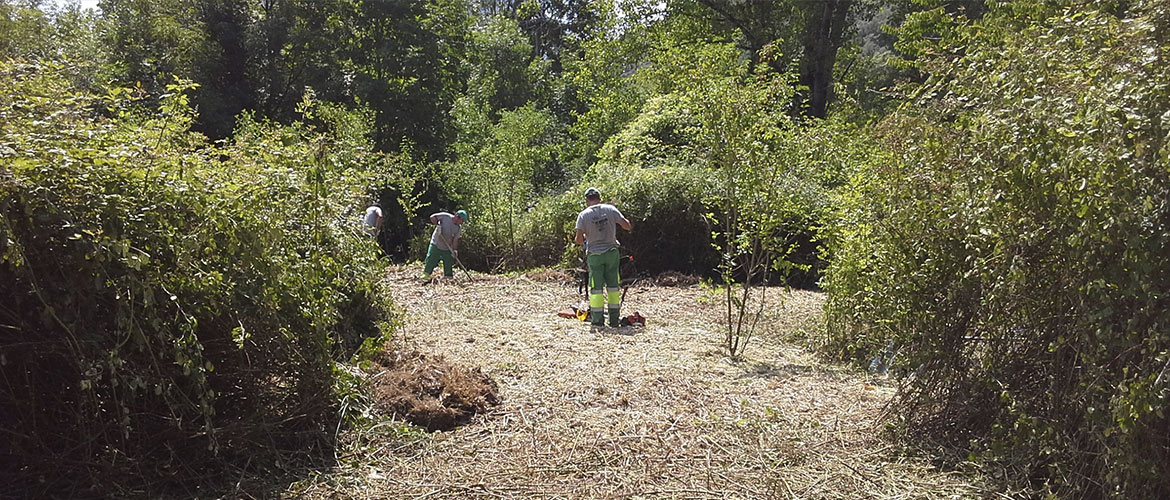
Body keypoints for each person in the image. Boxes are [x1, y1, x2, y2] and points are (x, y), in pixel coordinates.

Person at [574, 187, 631, 327]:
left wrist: (586, 239)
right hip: (612, 252)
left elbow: (579, 239)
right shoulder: (610, 209)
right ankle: (614, 320)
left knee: (596, 289)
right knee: (613, 286)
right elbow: (627, 226)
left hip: (595, 255)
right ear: (599, 198)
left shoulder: (583, 215)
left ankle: (598, 320)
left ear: (587, 200)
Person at [422, 209, 469, 280]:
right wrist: (438, 225)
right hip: (436, 243)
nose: (462, 222)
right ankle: (426, 274)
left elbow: (455, 240)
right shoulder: (445, 216)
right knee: (431, 259)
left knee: (448, 262)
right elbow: (432, 217)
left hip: (447, 247)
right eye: (462, 220)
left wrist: (454, 250)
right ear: (457, 217)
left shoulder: (458, 228)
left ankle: (448, 278)